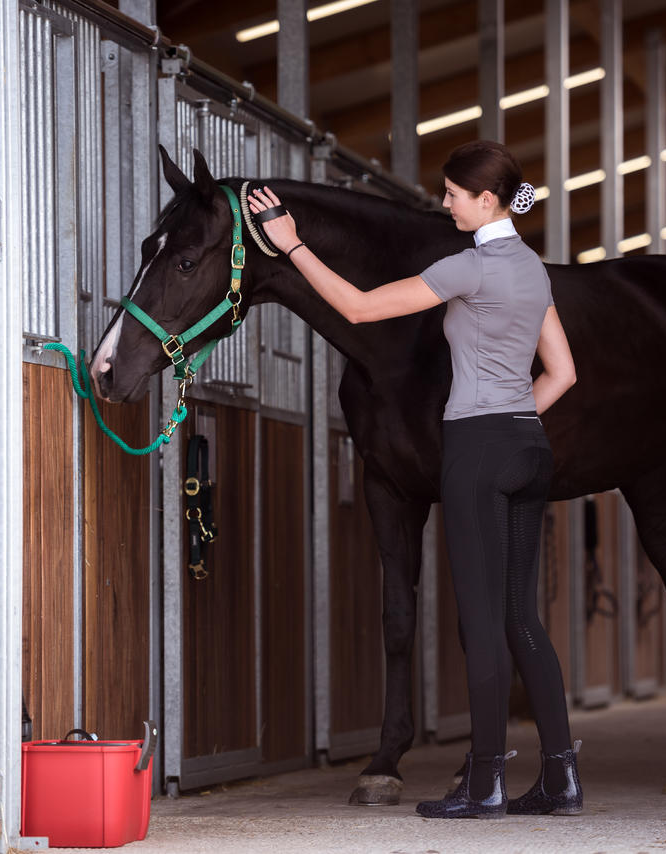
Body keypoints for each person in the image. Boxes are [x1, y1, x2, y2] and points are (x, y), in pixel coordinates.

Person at [247, 139, 582, 820]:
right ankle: (560, 778)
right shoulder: (531, 270)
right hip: (528, 446)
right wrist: (515, 417)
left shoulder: (469, 266)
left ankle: (485, 781)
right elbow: (565, 373)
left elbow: (362, 308)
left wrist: (291, 247)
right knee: (523, 620)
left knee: (484, 623)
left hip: (478, 448)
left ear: (485, 199)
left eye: (454, 193)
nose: (445, 202)